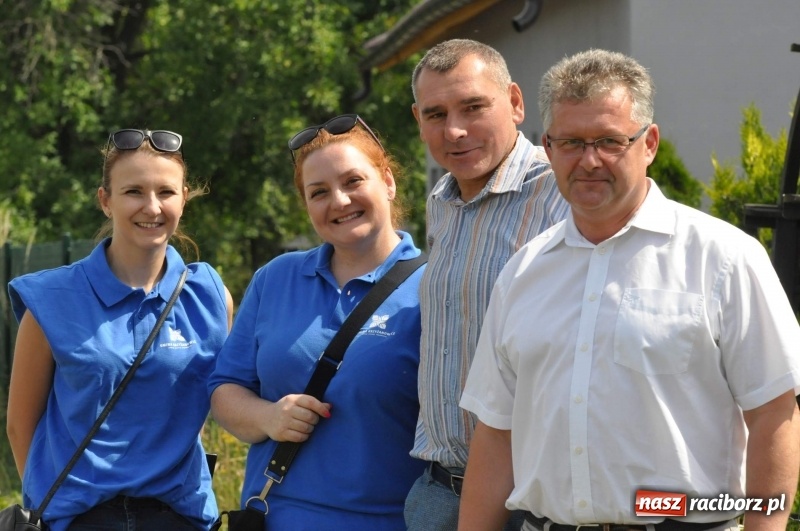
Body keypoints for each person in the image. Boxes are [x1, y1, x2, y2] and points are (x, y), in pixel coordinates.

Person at [458, 49, 800, 531]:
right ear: (548, 147)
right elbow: (495, 435)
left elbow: (774, 416)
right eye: (572, 142)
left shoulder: (723, 258)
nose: (589, 160)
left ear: (650, 143)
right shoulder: (522, 273)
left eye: (609, 141)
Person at [6, 128, 234, 531]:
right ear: (105, 201)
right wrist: (56, 504)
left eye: (165, 192)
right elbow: (21, 422)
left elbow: (201, 407)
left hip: (179, 517)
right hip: (79, 519)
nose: (151, 206)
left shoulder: (211, 294)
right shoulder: (50, 297)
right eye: (133, 192)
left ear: (184, 198)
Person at [208, 114, 427, 530]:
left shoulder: (434, 286)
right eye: (319, 192)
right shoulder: (275, 278)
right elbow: (224, 389)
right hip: (276, 517)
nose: (339, 201)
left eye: (353, 181)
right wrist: (268, 417)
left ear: (388, 181)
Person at [405, 39, 569, 530]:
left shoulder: (564, 190)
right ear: (418, 121)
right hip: (437, 491)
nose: (454, 130)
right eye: (435, 114)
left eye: (473, 107)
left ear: (516, 103)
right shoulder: (443, 200)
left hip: (533, 499)